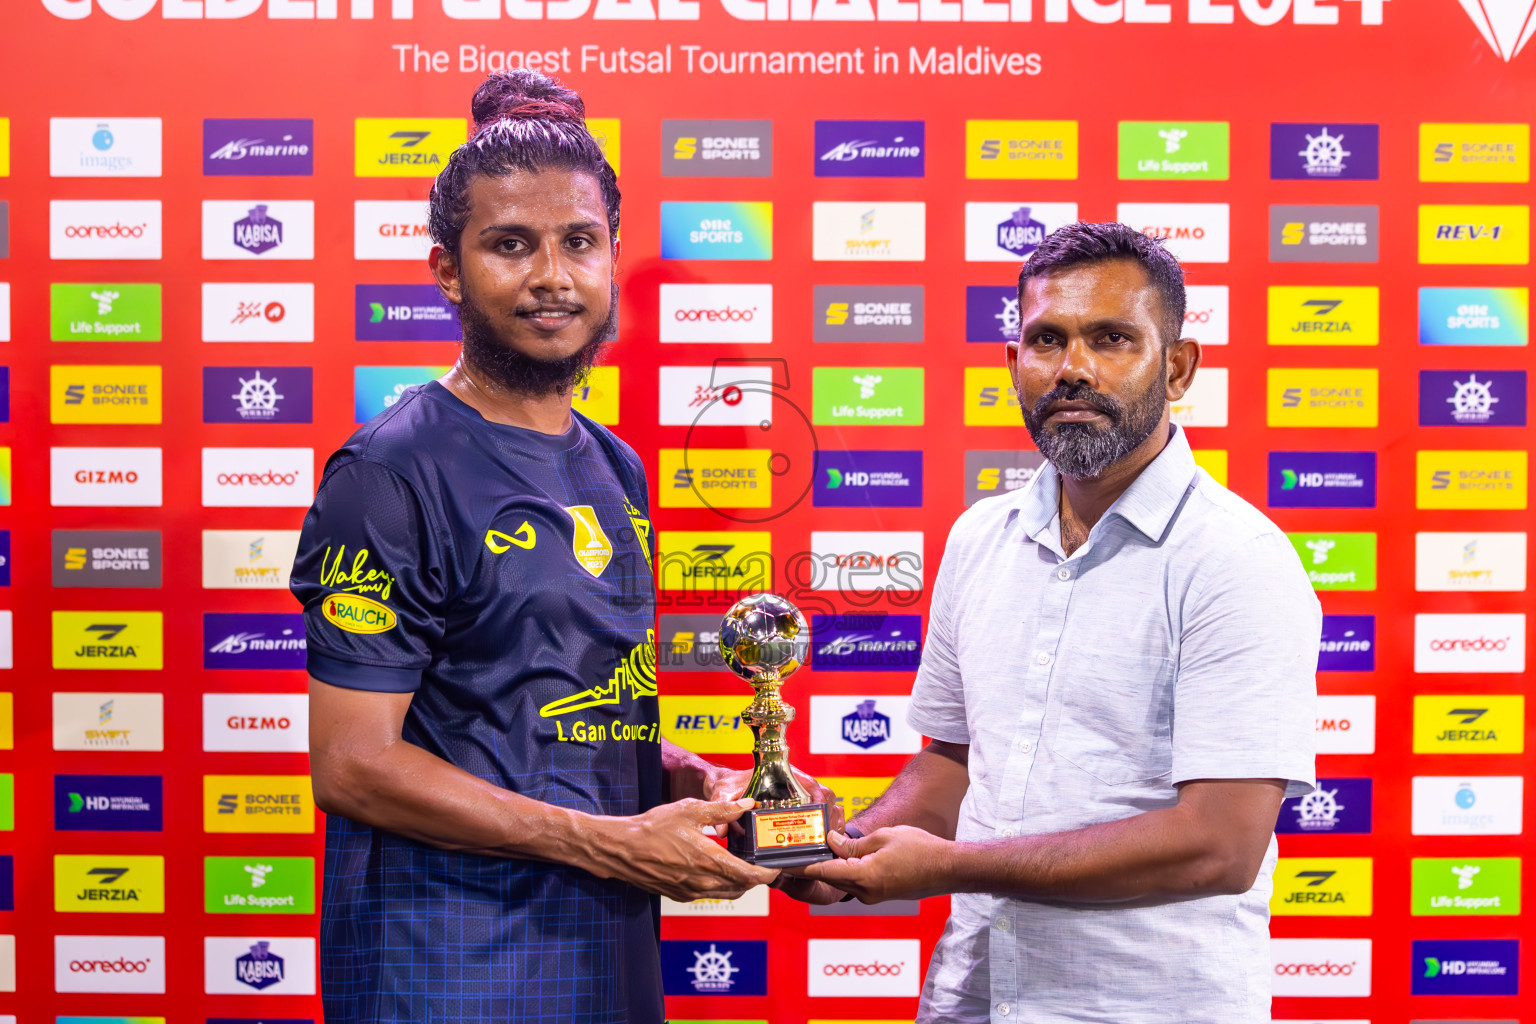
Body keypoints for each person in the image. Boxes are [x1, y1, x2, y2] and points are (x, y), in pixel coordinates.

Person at [291, 70, 835, 1024]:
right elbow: (354, 765)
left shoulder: (614, 467)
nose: (552, 276)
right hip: (447, 970)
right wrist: (608, 840)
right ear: (447, 270)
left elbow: (556, 717)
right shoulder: (388, 473)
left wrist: (687, 776)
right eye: (511, 245)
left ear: (611, 257)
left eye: (579, 243)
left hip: (603, 961)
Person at [796, 222, 1322, 1023]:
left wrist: (952, 865)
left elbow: (1221, 844)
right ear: (1015, 366)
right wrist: (845, 850)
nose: (1073, 368)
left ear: (1177, 368)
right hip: (972, 996)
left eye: (1111, 338)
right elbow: (952, 766)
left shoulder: (1237, 558)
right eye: (1047, 340)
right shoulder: (980, 537)